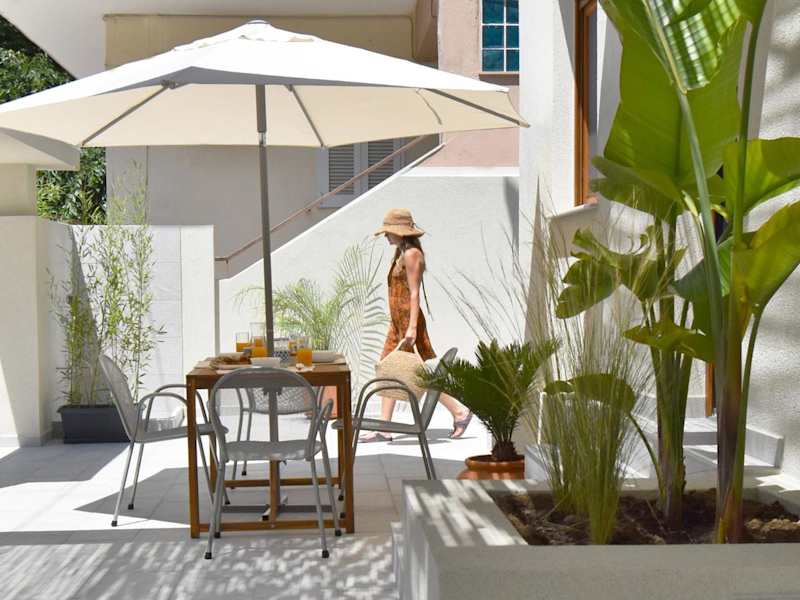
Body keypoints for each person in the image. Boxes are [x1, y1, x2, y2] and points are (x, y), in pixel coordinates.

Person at [360, 208, 472, 442]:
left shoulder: (412, 254)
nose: (385, 235)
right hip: (397, 323)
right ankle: (385, 426)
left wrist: (411, 328)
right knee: (390, 369)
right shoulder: (400, 253)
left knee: (418, 372)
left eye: (389, 231)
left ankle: (459, 412)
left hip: (408, 323)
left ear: (400, 232)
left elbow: (414, 293)